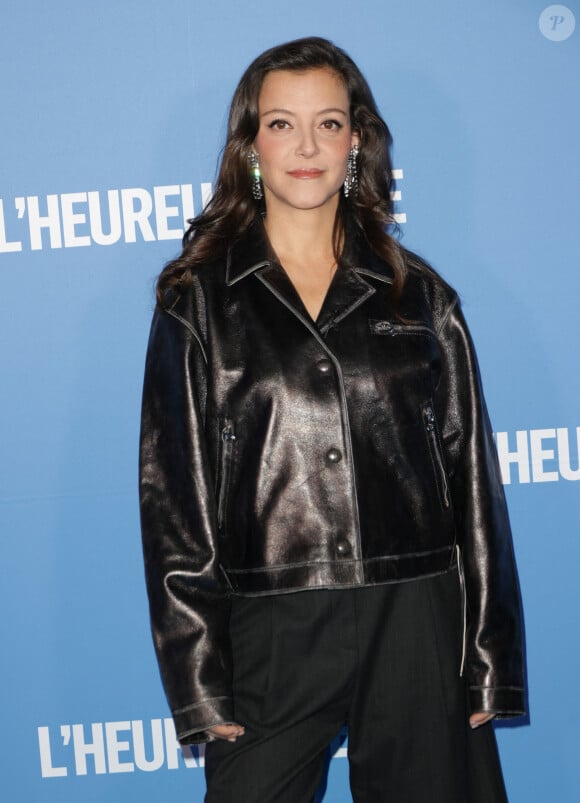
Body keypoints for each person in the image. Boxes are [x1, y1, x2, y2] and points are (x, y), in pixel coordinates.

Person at [139, 36, 525, 802]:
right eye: (282, 124)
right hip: (271, 626)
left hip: (416, 618)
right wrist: (198, 675)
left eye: (329, 123)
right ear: (251, 145)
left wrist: (489, 654)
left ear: (358, 142)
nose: (306, 147)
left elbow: (472, 482)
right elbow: (175, 503)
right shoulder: (199, 303)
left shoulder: (421, 299)